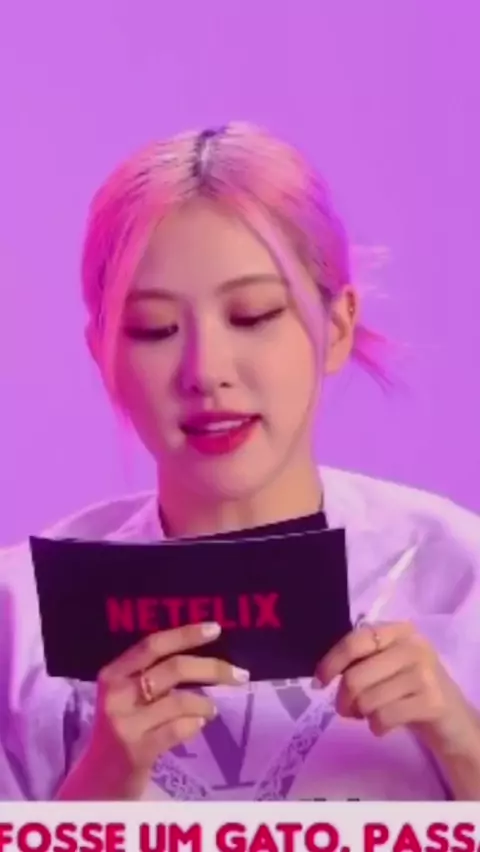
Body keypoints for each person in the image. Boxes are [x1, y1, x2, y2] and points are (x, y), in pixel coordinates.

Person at [0, 122, 479, 803]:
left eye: (252, 315)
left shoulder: (460, 579)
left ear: (337, 326)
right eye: (155, 329)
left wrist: (461, 741)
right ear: (103, 354)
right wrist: (99, 788)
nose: (206, 370)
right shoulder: (19, 619)